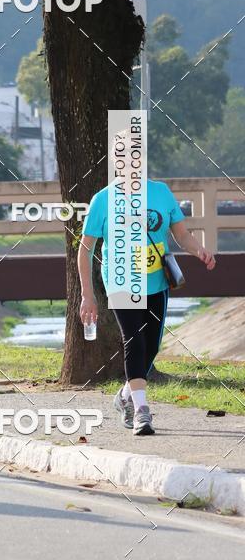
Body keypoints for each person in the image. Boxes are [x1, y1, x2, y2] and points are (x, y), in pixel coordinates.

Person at [78, 178, 215, 435]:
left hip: (156, 281)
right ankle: (142, 411)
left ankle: (124, 395)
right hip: (121, 281)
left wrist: (200, 250)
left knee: (151, 347)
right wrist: (87, 294)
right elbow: (85, 249)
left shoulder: (160, 192)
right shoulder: (103, 199)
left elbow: (181, 234)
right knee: (135, 340)